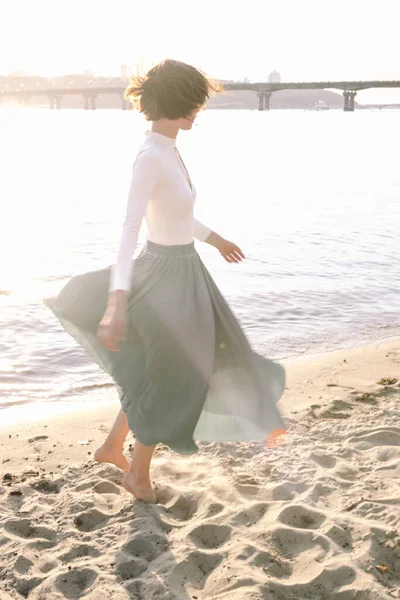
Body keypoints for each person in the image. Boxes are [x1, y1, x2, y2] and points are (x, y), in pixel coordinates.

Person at [45, 59, 286, 504]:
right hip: (162, 277)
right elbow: (129, 228)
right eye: (193, 102)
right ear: (174, 102)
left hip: (185, 270)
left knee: (162, 369)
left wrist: (215, 239)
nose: (199, 110)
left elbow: (177, 214)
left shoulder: (169, 148)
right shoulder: (151, 156)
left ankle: (113, 447)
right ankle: (137, 475)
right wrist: (116, 302)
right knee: (174, 375)